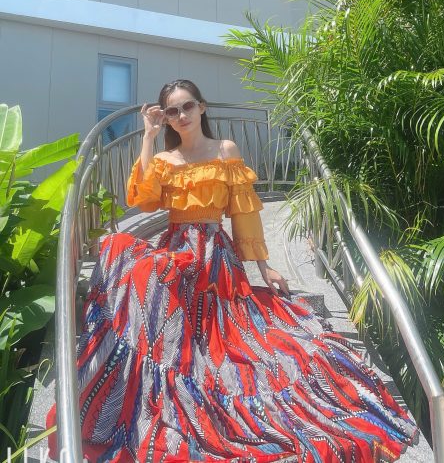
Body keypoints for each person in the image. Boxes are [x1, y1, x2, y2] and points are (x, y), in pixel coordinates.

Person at [46, 79, 418, 462]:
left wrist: (264, 266)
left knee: (224, 329)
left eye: (187, 106)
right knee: (118, 248)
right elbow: (142, 201)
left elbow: (243, 212)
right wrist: (148, 137)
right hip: (176, 250)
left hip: (215, 256)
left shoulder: (225, 150)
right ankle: (139, 368)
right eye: (172, 111)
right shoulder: (165, 159)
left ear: (202, 107)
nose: (181, 115)